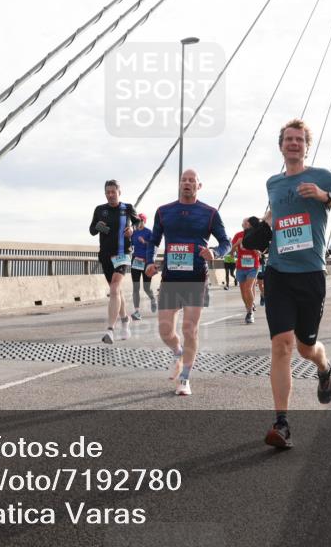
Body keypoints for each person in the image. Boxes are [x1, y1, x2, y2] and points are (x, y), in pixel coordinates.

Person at [243, 119, 331, 449]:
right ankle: (282, 423)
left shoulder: (321, 177)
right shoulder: (273, 183)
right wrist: (262, 228)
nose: (293, 144)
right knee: (281, 345)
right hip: (278, 273)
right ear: (281, 146)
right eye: (288, 139)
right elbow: (274, 215)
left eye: (299, 140)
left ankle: (324, 366)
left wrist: (324, 197)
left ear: (306, 146)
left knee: (307, 348)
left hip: (309, 276)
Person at [145, 169, 230, 396]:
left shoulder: (209, 213)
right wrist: (149, 261)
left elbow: (225, 242)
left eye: (192, 180)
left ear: (198, 186)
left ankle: (184, 379)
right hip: (171, 278)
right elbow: (153, 241)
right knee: (165, 331)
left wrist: (214, 252)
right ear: (179, 184)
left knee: (189, 329)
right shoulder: (164, 212)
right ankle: (177, 351)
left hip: (196, 278)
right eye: (184, 180)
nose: (187, 183)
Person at [89, 179, 137, 343]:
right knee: (117, 291)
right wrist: (98, 226)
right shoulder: (100, 210)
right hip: (105, 255)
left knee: (115, 288)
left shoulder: (127, 208)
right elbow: (92, 231)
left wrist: (132, 229)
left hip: (122, 254)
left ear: (119, 192)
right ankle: (125, 320)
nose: (110, 195)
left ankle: (110, 329)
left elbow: (139, 225)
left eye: (113, 192)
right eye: (107, 192)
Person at [231, 217, 262, 324]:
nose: (245, 224)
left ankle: (249, 312)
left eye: (247, 222)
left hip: (253, 266)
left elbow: (262, 249)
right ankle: (248, 306)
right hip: (240, 266)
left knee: (248, 288)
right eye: (244, 222)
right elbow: (231, 252)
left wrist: (257, 250)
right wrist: (237, 244)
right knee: (243, 291)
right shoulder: (238, 235)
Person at [129, 213, 156, 320]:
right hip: (136, 261)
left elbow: (154, 246)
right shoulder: (133, 233)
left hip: (146, 261)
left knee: (146, 288)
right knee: (136, 288)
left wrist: (145, 242)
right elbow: (130, 244)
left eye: (139, 221)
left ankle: (153, 299)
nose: (137, 223)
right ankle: (137, 311)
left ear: (144, 221)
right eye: (136, 221)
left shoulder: (149, 232)